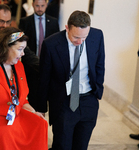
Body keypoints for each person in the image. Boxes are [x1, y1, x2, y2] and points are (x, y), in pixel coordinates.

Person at [38, 10, 105, 150]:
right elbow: (44, 77)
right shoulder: (50, 44)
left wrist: (98, 92)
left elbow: (99, 65)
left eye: (84, 38)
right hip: (64, 102)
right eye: (75, 37)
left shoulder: (97, 36)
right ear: (67, 27)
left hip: (88, 101)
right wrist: (41, 107)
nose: (80, 42)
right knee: (62, 146)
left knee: (81, 145)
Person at [19, 0, 59, 110]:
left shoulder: (54, 22)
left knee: (44, 96)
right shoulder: (25, 22)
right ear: (32, 5)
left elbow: (56, 44)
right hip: (31, 66)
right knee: (32, 95)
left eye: (42, 6)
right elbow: (21, 45)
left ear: (46, 5)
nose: (40, 8)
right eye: (37, 6)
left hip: (48, 66)